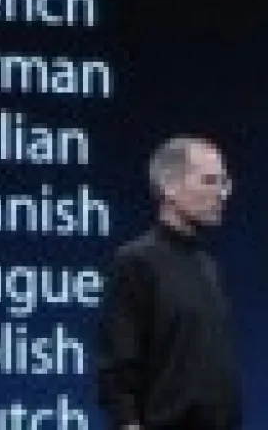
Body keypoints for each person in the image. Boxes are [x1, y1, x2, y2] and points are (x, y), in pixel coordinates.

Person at [96, 136, 241, 430]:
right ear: (169, 187)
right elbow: (118, 367)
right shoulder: (137, 262)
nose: (222, 193)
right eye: (210, 181)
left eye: (224, 182)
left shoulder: (207, 266)